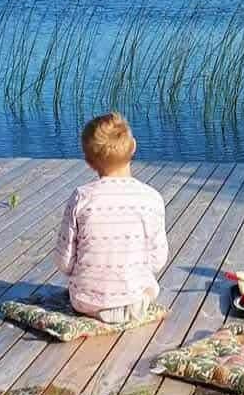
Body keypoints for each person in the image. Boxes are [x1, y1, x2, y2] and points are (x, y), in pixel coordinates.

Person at [54, 112, 168, 323]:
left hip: (86, 303)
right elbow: (158, 260)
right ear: (133, 146)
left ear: (89, 161)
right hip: (136, 302)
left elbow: (64, 262)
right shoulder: (151, 198)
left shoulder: (82, 198)